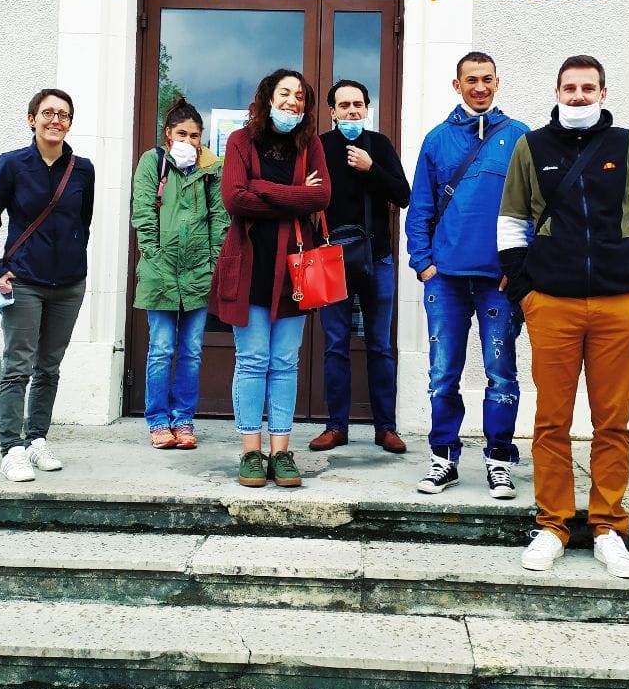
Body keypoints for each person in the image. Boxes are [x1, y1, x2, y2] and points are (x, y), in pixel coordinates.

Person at [499, 54, 629, 578]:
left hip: (620, 304)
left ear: (603, 93)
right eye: (569, 87)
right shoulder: (531, 147)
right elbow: (511, 220)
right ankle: (552, 525)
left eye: (587, 88)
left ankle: (608, 526)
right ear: (556, 92)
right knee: (551, 420)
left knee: (612, 421)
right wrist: (525, 291)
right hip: (552, 303)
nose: (578, 96)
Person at [405, 51, 529, 499]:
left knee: (501, 373)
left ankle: (499, 461)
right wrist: (423, 264)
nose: (480, 87)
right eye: (471, 80)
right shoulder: (437, 139)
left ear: (498, 82)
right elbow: (420, 207)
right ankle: (444, 459)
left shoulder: (519, 137)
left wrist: (519, 269)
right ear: (456, 85)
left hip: (498, 281)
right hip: (445, 280)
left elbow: (533, 210)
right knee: (443, 374)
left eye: (487, 79)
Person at [209, 69, 331, 488]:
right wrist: (296, 196)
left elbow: (322, 196)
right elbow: (233, 198)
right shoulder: (240, 141)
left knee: (284, 362)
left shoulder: (310, 144)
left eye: (300, 96)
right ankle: (251, 452)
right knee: (252, 360)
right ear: (268, 97)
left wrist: (260, 188)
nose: (293, 101)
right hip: (250, 266)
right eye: (285, 93)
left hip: (295, 269)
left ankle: (280, 452)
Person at [0, 88, 95, 483]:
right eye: (47, 113)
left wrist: (73, 258)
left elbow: (82, 222)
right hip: (23, 280)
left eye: (63, 114)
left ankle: (36, 440)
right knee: (18, 366)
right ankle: (11, 448)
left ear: (70, 123)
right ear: (32, 119)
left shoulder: (83, 169)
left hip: (69, 284)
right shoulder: (13, 164)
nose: (55, 120)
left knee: (49, 366)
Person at [309, 79, 411, 455]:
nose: (352, 111)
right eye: (344, 105)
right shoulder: (318, 147)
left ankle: (386, 428)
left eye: (358, 105)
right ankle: (336, 427)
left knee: (380, 346)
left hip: (376, 257)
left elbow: (403, 195)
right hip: (330, 259)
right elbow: (305, 198)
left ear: (367, 109)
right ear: (332, 112)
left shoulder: (379, 145)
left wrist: (372, 168)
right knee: (335, 345)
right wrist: (306, 189)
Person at [130, 97, 227, 450]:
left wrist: (213, 263)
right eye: (182, 133)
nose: (188, 140)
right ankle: (158, 421)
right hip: (160, 272)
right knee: (161, 349)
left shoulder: (211, 168)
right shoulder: (152, 162)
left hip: (198, 273)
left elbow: (220, 219)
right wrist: (154, 258)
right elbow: (143, 213)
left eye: (195, 135)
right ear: (168, 134)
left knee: (192, 350)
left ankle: (183, 419)